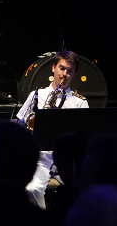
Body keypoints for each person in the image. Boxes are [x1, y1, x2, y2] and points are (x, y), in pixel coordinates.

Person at [16, 51, 88, 208]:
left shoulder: (80, 102)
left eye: (70, 71)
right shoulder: (36, 95)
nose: (65, 74)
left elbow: (85, 135)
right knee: (32, 188)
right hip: (42, 158)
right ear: (53, 68)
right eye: (62, 68)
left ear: (74, 74)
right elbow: (19, 122)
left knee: (85, 190)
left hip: (68, 159)